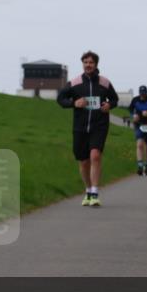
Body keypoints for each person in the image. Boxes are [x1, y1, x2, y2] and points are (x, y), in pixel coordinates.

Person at [57, 51, 118, 207]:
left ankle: (95, 193)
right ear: (82, 64)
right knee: (83, 162)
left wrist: (109, 105)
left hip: (99, 125)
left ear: (96, 64)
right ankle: (88, 190)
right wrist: (74, 103)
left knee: (95, 156)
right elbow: (60, 98)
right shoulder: (75, 83)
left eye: (91, 62)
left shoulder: (104, 83)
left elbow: (114, 98)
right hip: (80, 127)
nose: (88, 65)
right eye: (85, 62)